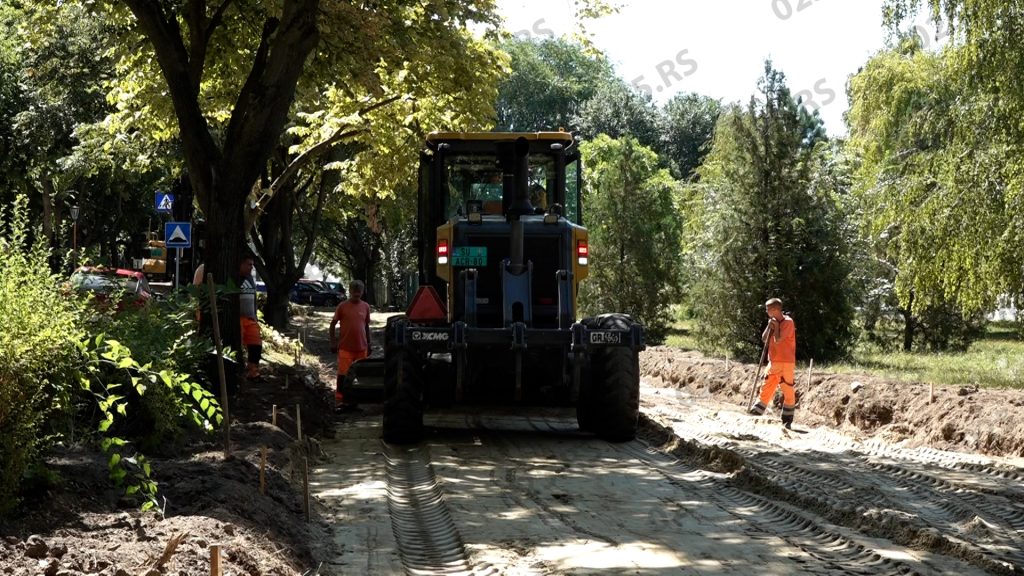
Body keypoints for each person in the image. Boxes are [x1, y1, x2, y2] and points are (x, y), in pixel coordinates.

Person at [749, 297, 797, 429]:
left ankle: (787, 419)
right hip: (773, 361)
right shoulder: (772, 321)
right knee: (766, 385)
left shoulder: (788, 322)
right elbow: (765, 339)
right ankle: (757, 411)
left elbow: (778, 340)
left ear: (775, 309)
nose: (766, 311)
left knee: (787, 389)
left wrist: (776, 327)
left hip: (786, 362)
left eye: (767, 308)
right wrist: (770, 326)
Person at [329, 280, 371, 412]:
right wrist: (333, 341)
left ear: (362, 292)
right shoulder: (342, 306)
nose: (356, 295)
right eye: (354, 292)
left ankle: (355, 402)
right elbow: (332, 324)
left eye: (359, 293)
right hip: (345, 348)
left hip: (361, 348)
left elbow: (366, 326)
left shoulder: (365, 307)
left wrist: (369, 343)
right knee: (343, 375)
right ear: (350, 291)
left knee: (359, 376)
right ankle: (342, 401)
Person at [238, 255, 263, 380]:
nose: (251, 267)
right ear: (241, 264)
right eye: (249, 264)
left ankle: (253, 372)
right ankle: (238, 372)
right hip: (238, 318)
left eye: (252, 265)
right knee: (237, 346)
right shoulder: (234, 278)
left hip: (251, 318)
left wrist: (255, 316)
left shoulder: (250, 278)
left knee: (256, 345)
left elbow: (254, 298)